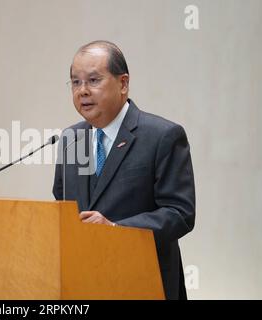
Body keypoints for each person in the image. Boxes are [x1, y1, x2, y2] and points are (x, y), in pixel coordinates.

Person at [52, 40, 195, 300]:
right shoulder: (70, 139)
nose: (82, 91)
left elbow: (180, 213)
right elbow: (62, 204)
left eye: (93, 80)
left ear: (123, 83)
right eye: (75, 82)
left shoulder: (163, 136)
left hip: (143, 284)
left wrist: (116, 228)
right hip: (83, 284)